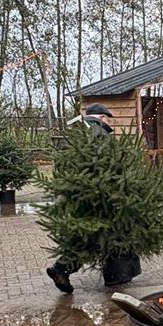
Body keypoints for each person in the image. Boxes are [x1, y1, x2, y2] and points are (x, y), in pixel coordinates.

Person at [46, 104, 136, 293]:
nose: (108, 122)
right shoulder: (100, 133)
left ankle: (61, 268)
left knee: (84, 235)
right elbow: (108, 166)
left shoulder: (73, 131)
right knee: (108, 234)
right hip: (99, 196)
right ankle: (116, 276)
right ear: (102, 117)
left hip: (74, 194)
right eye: (107, 119)